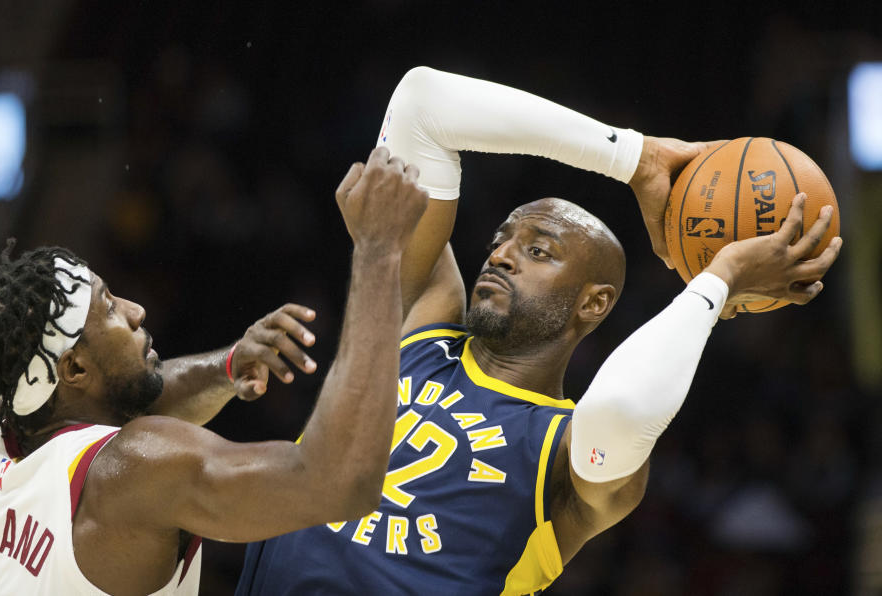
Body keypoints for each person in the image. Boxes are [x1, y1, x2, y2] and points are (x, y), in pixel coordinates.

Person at [237, 67, 843, 595]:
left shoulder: (566, 455)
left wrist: (719, 281)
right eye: (501, 239)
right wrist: (633, 158)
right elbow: (422, 103)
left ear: (594, 303)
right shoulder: (420, 320)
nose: (500, 256)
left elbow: (625, 409)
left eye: (537, 250)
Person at [0, 147, 428, 595]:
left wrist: (227, 366)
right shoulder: (135, 470)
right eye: (110, 308)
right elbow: (341, 482)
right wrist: (377, 248)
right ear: (73, 367)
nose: (136, 312)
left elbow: (123, 398)